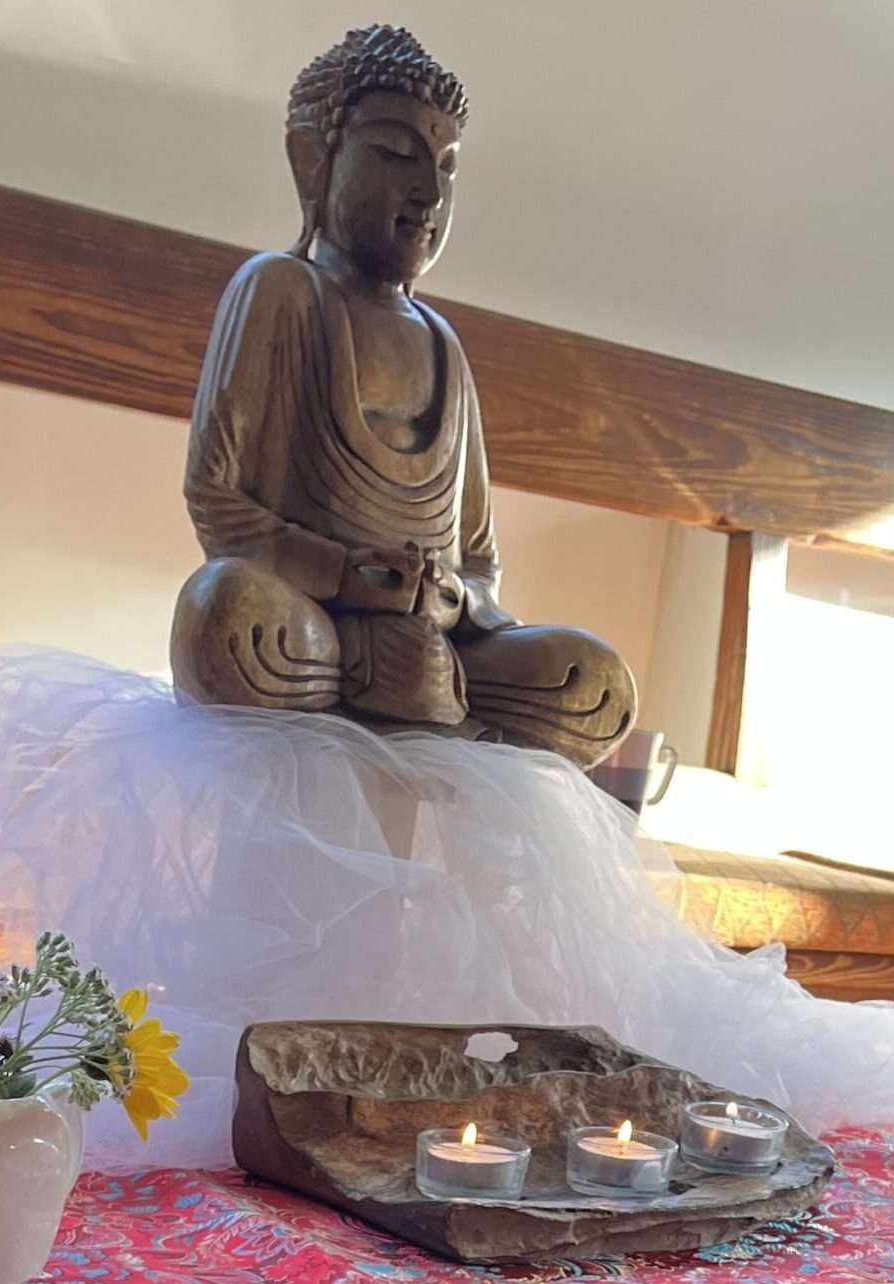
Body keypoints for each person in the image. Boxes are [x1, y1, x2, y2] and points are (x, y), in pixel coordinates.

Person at [169, 24, 635, 768]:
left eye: (447, 167)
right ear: (313, 159)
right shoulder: (279, 291)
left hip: (437, 645)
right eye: (394, 154)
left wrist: (454, 598)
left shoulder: (444, 343)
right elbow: (216, 499)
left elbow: (478, 555)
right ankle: (376, 708)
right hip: (311, 633)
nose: (430, 192)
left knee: (596, 685)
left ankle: (423, 707)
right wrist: (342, 576)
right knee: (224, 613)